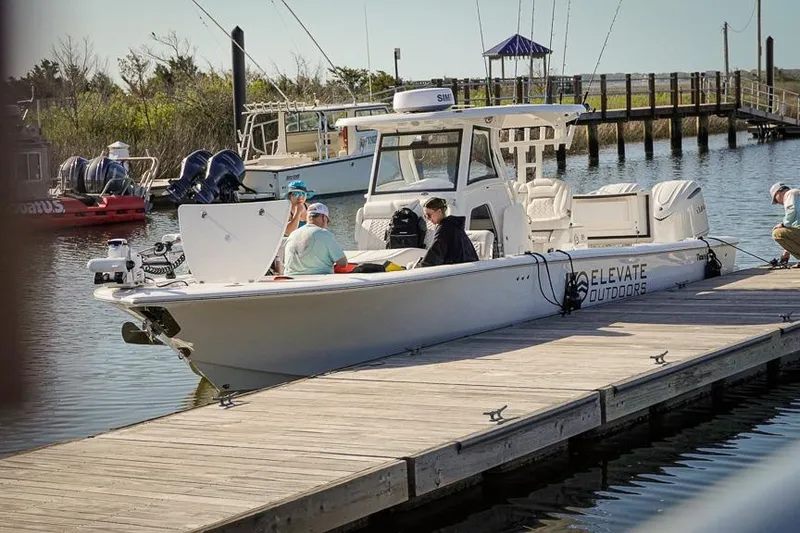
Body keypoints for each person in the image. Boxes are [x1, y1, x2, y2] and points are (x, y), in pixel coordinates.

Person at [283, 202, 347, 275]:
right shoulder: (324, 233)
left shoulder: (293, 234)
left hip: (291, 280)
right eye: (328, 221)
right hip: (318, 280)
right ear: (324, 218)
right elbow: (343, 263)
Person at [416, 197, 479, 268]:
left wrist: (418, 267)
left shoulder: (445, 228)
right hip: (467, 267)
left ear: (439, 211)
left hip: (458, 269)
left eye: (429, 215)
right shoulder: (453, 225)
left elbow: (435, 254)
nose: (428, 219)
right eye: (425, 216)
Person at [770, 182, 800, 267]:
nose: (778, 203)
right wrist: (786, 252)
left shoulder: (790, 193)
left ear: (779, 193)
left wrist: (783, 224)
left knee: (777, 233)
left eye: (775, 200)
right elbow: (795, 228)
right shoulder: (797, 196)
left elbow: (792, 211)